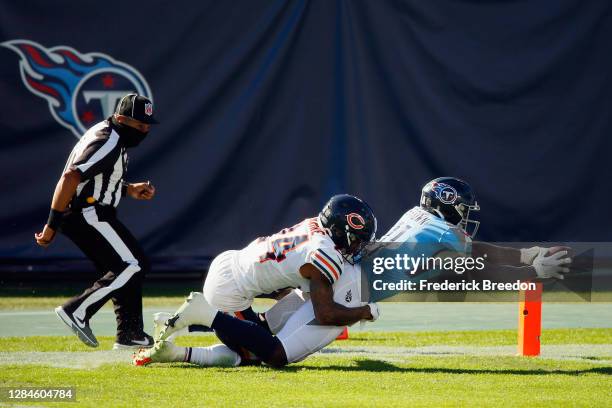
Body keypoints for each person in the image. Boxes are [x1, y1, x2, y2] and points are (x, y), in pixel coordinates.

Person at [133, 177, 570, 368]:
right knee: (279, 355)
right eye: (463, 210)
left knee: (257, 339)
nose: (465, 218)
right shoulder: (442, 230)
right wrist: (529, 260)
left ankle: (181, 350)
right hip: (347, 288)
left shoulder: (418, 216)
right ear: (447, 206)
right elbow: (483, 255)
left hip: (344, 272)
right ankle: (204, 316)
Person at [35, 93, 159, 350]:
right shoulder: (109, 140)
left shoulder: (112, 135)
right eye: (139, 125)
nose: (144, 131)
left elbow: (95, 179)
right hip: (87, 213)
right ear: (122, 119)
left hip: (90, 211)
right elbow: (70, 178)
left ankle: (130, 333)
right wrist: (51, 224)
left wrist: (128, 189)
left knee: (122, 267)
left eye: (147, 126)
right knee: (133, 264)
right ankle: (77, 311)